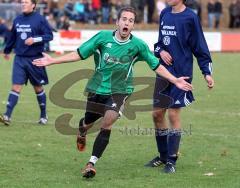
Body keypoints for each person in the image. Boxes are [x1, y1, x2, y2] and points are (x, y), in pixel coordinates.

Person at [32, 6, 192, 178]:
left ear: (133, 25)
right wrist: (52, 61)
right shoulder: (102, 37)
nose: (127, 23)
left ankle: (91, 163)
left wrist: (175, 80)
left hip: (121, 90)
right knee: (88, 122)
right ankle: (83, 129)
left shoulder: (138, 45)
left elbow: (156, 65)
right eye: (124, 19)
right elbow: (78, 54)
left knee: (108, 121)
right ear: (117, 22)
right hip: (97, 89)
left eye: (131, 21)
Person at [145, 0, 214, 173]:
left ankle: (171, 160)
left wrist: (206, 72)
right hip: (163, 72)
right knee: (156, 114)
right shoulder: (164, 13)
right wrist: (160, 50)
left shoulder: (190, 17)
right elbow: (160, 42)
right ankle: (162, 156)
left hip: (181, 74)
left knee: (173, 114)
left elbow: (200, 46)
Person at [0, 0, 53, 126]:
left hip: (35, 59)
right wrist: (7, 51)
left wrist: (34, 39)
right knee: (16, 86)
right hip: (20, 59)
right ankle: (7, 115)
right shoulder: (17, 19)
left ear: (33, 5)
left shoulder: (40, 19)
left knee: (38, 88)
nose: (23, 4)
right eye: (22, 2)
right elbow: (12, 37)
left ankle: (43, 114)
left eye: (26, 2)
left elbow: (49, 36)